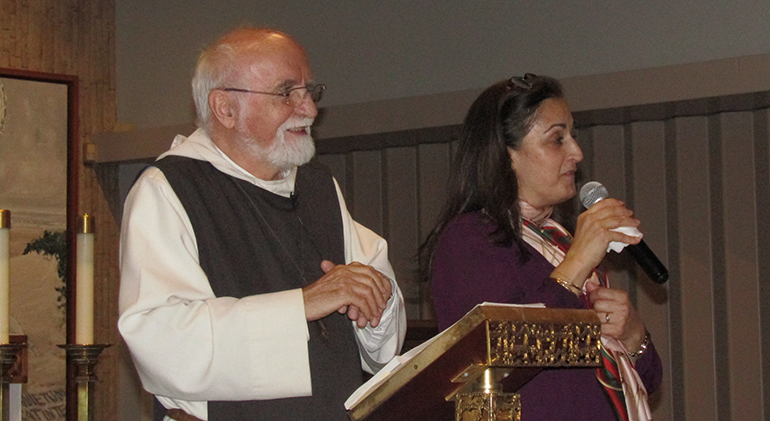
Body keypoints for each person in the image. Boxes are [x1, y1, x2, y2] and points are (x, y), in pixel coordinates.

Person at [118, 27, 406, 421]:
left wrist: (376, 301)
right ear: (225, 108)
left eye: (309, 91)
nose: (309, 109)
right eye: (286, 92)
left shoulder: (318, 186)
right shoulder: (169, 189)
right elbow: (161, 339)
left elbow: (379, 331)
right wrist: (301, 305)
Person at [419, 74, 662, 421]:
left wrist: (634, 334)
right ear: (507, 155)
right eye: (557, 139)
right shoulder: (469, 241)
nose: (576, 152)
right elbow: (507, 349)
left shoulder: (556, 241)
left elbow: (649, 380)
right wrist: (578, 263)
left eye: (572, 136)